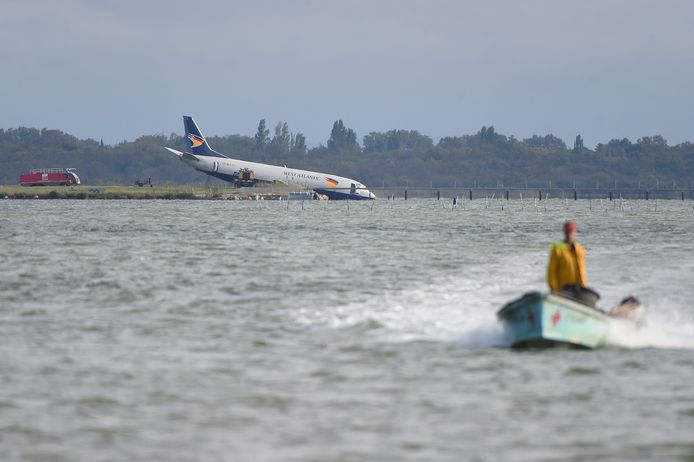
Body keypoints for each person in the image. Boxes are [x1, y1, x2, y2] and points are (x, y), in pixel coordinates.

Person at [547, 220, 587, 293]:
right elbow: (551, 272)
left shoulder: (580, 250)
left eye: (571, 231)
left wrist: (584, 288)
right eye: (567, 231)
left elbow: (582, 270)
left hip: (577, 290)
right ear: (564, 232)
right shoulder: (557, 249)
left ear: (574, 232)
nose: (569, 234)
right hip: (562, 289)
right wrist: (553, 289)